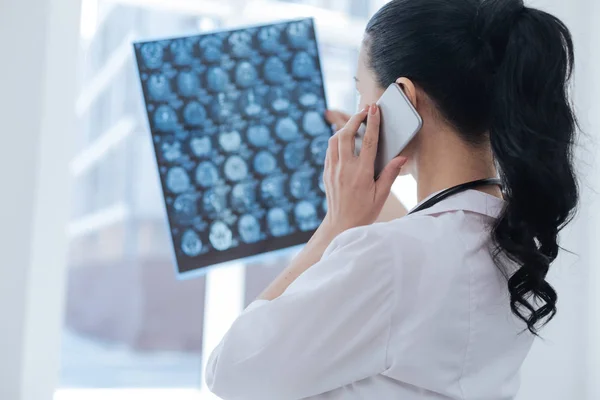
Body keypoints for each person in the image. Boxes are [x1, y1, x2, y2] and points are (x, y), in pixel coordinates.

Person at [205, 0, 579, 398]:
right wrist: (365, 197)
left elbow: (229, 373)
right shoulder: (509, 239)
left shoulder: (387, 257)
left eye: (360, 90)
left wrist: (337, 224)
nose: (356, 111)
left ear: (402, 98)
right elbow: (424, 253)